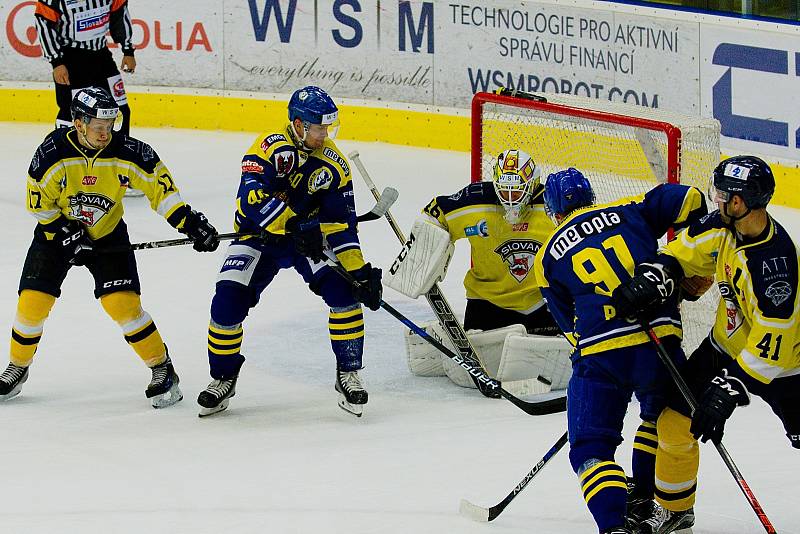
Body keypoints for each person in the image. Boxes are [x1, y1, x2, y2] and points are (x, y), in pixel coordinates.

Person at [612, 155, 799, 534]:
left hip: (786, 365)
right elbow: (681, 254)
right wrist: (655, 278)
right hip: (724, 348)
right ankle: (676, 513)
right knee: (674, 421)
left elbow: (775, 342)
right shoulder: (723, 226)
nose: (716, 200)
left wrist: (730, 388)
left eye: (724, 195)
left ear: (741, 202)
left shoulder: (775, 265)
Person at [0, 87, 219, 408]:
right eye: (99, 127)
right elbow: (39, 204)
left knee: (123, 306)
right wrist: (66, 233)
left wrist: (189, 223)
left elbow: (161, 191)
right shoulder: (52, 152)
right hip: (54, 235)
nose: (107, 133)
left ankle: (162, 368)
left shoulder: (131, 152)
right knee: (32, 303)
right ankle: (17, 366)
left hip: (107, 234)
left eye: (110, 125)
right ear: (78, 123)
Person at [533, 168, 708, 534]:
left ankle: (613, 527)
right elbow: (690, 199)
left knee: (591, 449)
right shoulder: (629, 211)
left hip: (602, 351)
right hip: (661, 340)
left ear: (552, 211)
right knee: (659, 419)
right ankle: (644, 496)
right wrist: (687, 258)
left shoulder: (547, 255)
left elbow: (570, 329)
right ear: (592, 196)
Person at [196, 86, 382, 418]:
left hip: (307, 241)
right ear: (298, 124)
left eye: (328, 128)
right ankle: (224, 376)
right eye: (318, 128)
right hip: (260, 237)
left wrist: (358, 269)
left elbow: (341, 223)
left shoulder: (334, 165)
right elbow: (249, 200)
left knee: (345, 294)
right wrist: (293, 223)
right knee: (226, 302)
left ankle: (349, 372)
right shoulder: (268, 148)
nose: (325, 135)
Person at [385, 149, 570, 395]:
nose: (511, 197)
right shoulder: (475, 201)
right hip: (488, 301)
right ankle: (438, 340)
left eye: (518, 190)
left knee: (558, 356)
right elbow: (434, 212)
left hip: (541, 302)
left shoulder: (553, 204)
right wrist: (427, 254)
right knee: (481, 362)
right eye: (504, 189)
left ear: (533, 183)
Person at [34, 0, 136, 135]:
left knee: (120, 109)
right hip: (71, 61)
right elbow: (44, 25)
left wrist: (128, 50)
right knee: (72, 112)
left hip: (102, 57)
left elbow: (120, 15)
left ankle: (118, 153)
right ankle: (63, 152)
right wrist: (56, 62)